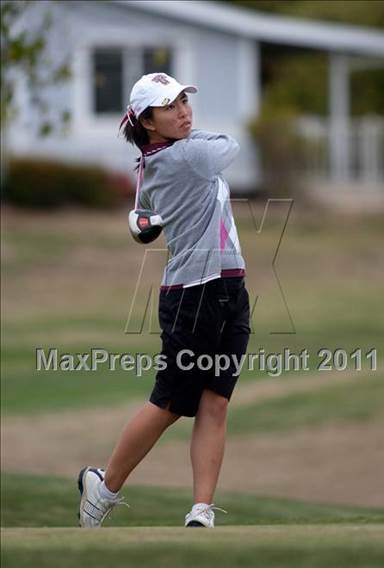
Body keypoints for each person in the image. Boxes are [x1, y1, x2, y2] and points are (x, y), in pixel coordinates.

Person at [78, 73, 250, 529]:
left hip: (229, 285)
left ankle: (201, 510)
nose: (183, 111)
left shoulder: (155, 163)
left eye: (183, 101)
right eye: (169, 106)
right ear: (148, 121)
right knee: (170, 403)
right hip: (195, 293)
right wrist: (195, 136)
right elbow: (230, 145)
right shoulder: (191, 155)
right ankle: (105, 488)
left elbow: (144, 218)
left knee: (216, 400)